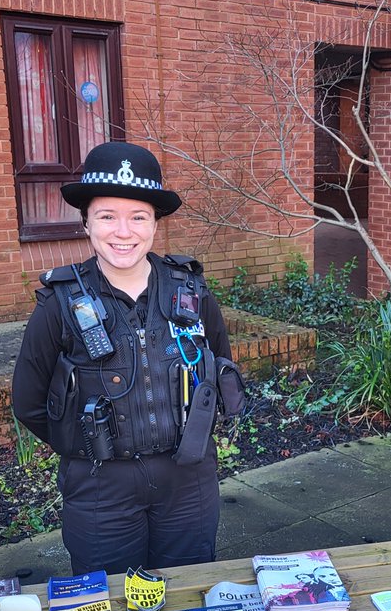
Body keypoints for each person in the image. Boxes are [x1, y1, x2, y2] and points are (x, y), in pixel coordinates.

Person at [13, 141, 244, 576]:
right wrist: (85, 446)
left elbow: (217, 374)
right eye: (107, 216)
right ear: (86, 223)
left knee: (187, 594)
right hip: (101, 487)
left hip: (188, 479)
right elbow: (29, 403)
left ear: (155, 224)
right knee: (111, 607)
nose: (123, 232)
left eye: (138, 217)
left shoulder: (191, 292)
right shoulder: (59, 304)